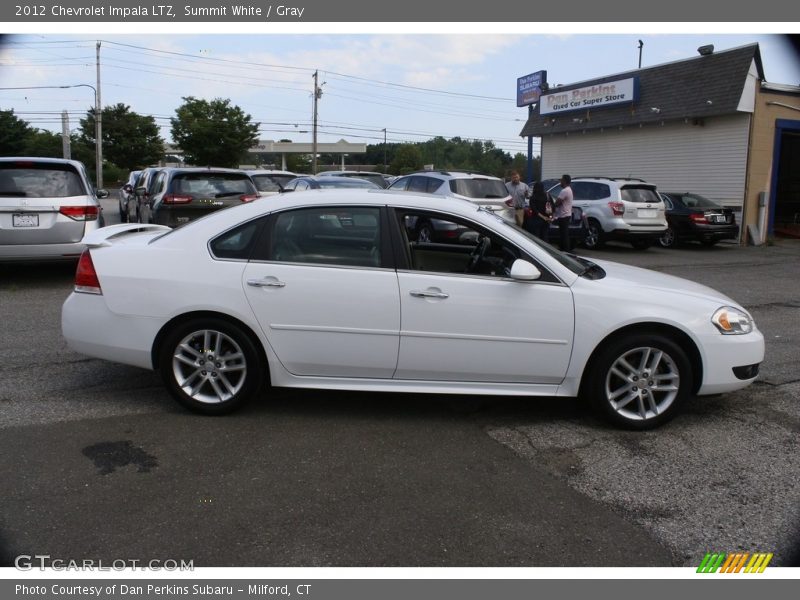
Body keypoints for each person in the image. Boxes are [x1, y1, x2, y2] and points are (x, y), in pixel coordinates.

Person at [553, 174, 574, 251]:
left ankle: (565, 250)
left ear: (564, 181)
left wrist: (552, 206)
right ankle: (563, 248)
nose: (560, 182)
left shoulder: (564, 191)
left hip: (563, 215)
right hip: (567, 214)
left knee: (564, 234)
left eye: (561, 180)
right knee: (563, 233)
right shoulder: (569, 190)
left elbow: (557, 202)